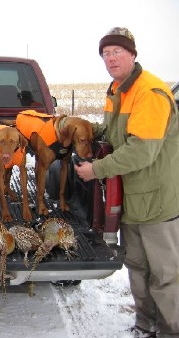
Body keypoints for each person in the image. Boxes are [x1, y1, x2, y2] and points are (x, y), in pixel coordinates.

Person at [74, 27, 179, 338]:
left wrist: (98, 169)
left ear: (132, 54)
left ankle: (171, 330)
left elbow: (141, 150)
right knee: (137, 266)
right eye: (106, 54)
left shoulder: (150, 93)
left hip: (156, 201)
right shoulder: (117, 90)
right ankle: (146, 325)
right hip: (131, 199)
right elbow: (109, 131)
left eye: (117, 52)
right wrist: (77, 129)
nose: (111, 59)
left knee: (164, 272)